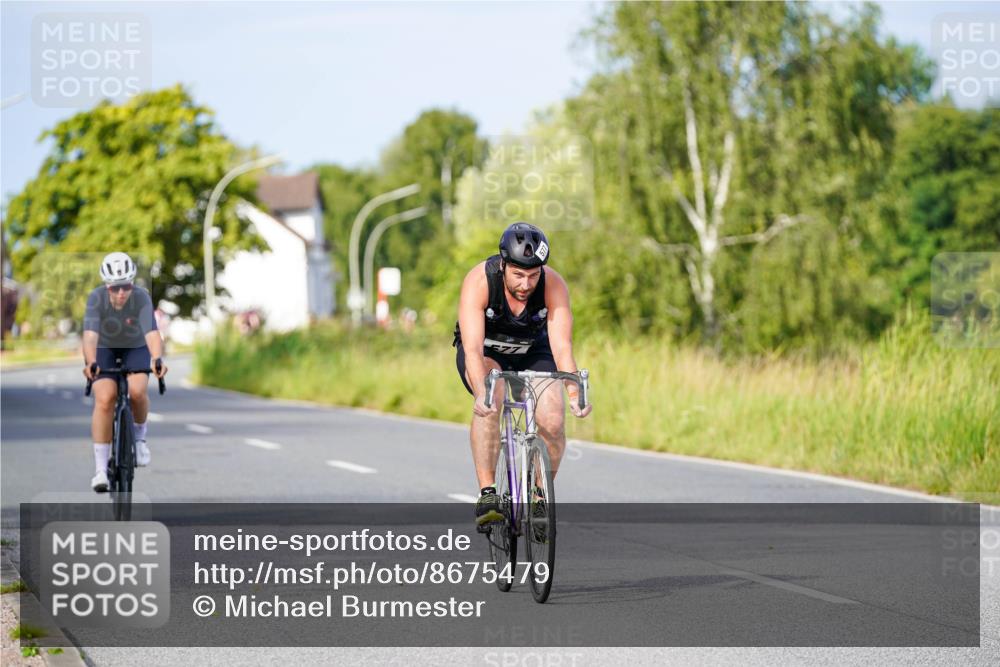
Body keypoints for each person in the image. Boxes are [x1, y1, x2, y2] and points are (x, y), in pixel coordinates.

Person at [453, 222, 592, 527]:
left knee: (553, 418)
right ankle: (488, 493)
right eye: (518, 275)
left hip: (533, 350)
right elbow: (473, 349)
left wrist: (573, 395)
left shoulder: (553, 284)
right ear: (503, 265)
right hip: (487, 352)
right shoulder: (480, 281)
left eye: (533, 275)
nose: (526, 284)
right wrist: (481, 393)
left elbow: (562, 349)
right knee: (493, 394)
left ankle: (540, 497)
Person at [82, 252, 168, 492]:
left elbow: (152, 333)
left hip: (135, 347)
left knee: (137, 391)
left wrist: (157, 358)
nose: (121, 293)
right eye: (115, 288)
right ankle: (100, 470)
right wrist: (90, 362)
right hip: (104, 348)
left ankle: (139, 439)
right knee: (105, 397)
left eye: (126, 286)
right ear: (107, 286)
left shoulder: (141, 297)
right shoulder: (96, 298)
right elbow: (90, 337)